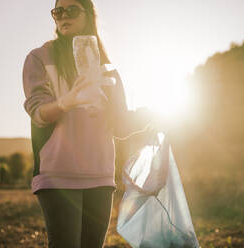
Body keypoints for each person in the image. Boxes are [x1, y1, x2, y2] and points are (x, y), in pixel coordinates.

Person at [22, 0, 154, 247]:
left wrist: (152, 116)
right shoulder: (39, 58)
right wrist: (65, 103)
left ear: (88, 14)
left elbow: (120, 125)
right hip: (57, 174)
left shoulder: (108, 70)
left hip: (100, 175)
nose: (63, 16)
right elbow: (38, 112)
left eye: (72, 9)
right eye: (57, 11)